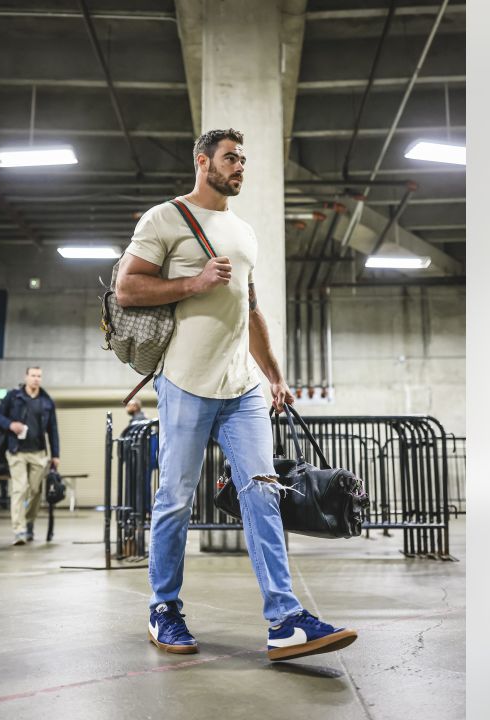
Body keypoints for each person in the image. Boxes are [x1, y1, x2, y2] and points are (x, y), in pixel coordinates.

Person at [115, 128, 358, 662]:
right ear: (203, 162)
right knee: (175, 499)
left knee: (264, 493)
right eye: (230, 158)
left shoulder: (244, 232)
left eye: (243, 159)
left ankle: (285, 620)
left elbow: (250, 309)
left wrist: (273, 373)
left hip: (243, 387)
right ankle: (165, 609)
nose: (240, 166)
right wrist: (192, 283)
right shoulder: (165, 218)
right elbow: (127, 289)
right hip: (185, 383)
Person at [0, 366, 60, 545]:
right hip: (16, 451)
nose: (36, 379)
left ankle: (29, 523)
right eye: (33, 375)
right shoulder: (13, 397)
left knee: (35, 491)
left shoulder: (46, 401)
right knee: (19, 489)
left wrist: (56, 454)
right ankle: (19, 531)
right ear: (26, 377)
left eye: (39, 376)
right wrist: (10, 424)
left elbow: (53, 430)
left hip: (38, 452)